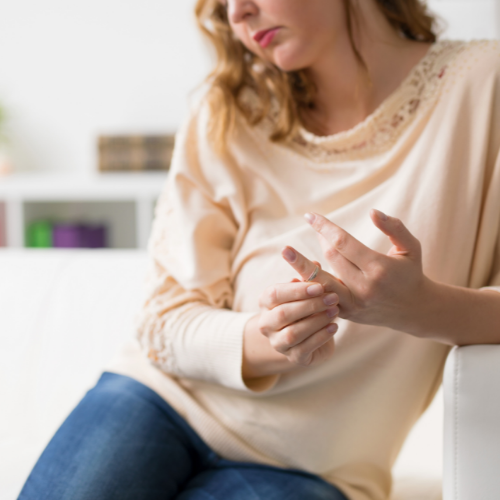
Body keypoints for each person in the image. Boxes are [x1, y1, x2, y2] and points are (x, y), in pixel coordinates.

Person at [18, 1, 500, 499]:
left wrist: (420, 307)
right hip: (158, 400)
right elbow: (161, 323)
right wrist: (264, 340)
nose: (238, 13)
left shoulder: (485, 88)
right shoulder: (228, 109)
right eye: (223, 2)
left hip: (313, 468)